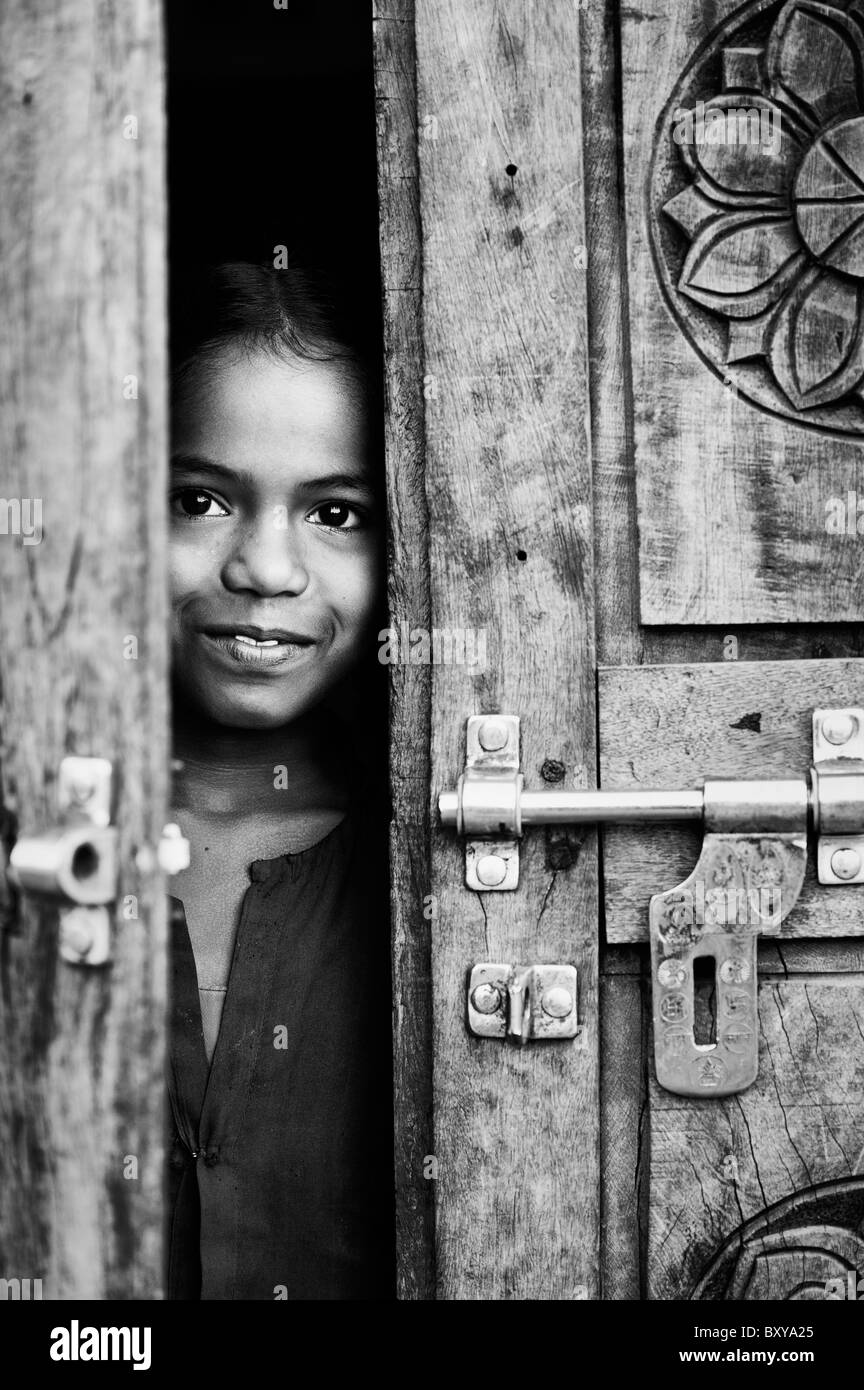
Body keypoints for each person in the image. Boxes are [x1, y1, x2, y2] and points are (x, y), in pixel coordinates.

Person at [164, 261, 394, 1300]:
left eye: (335, 513)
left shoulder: (458, 878)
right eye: (199, 498)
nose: (265, 567)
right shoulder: (28, 846)